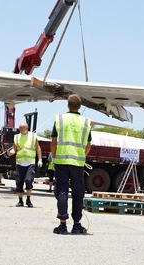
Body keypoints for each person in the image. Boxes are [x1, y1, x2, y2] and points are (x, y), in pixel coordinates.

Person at [51, 94, 92, 235]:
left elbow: (54, 142)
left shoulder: (60, 120)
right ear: (80, 106)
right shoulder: (86, 122)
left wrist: (54, 157)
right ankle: (76, 225)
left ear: (67, 105)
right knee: (78, 194)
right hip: (78, 163)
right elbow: (88, 145)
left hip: (61, 162)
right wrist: (81, 155)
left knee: (62, 192)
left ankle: (62, 225)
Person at [8, 122, 43, 207]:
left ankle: (28, 199)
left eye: (23, 128)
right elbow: (14, 149)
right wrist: (10, 153)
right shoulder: (16, 137)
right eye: (20, 128)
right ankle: (20, 201)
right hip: (20, 163)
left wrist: (40, 159)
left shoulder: (33, 136)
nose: (21, 130)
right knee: (19, 182)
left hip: (30, 162)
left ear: (27, 128)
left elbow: (38, 148)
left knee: (29, 180)